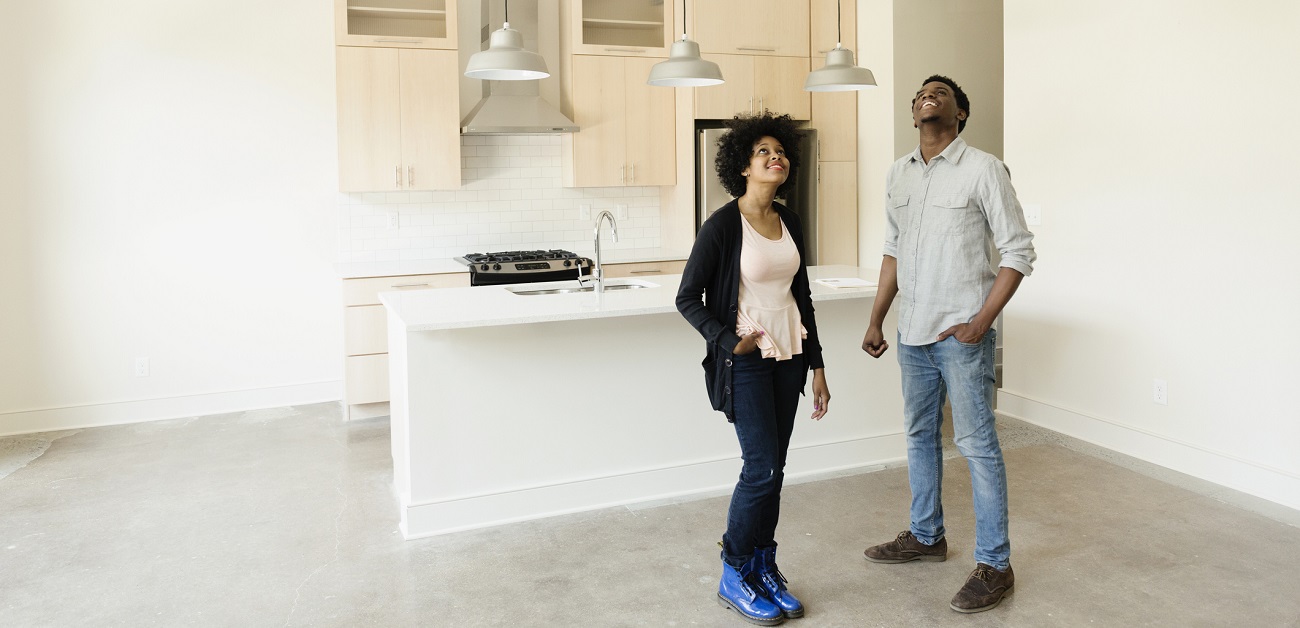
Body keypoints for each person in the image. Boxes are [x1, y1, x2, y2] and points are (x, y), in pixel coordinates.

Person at [860, 75, 1037, 614]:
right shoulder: (898, 174)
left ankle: (995, 564)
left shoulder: (984, 169)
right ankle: (925, 536)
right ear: (914, 113)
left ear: (961, 112)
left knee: (978, 445)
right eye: (920, 93)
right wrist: (876, 319)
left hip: (960, 334)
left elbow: (1018, 252)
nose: (928, 95)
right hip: (911, 333)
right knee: (919, 436)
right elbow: (893, 251)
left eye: (941, 91)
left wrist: (982, 321)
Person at [677, 112, 831, 626]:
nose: (774, 157)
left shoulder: (790, 221)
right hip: (746, 361)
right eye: (762, 151)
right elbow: (687, 298)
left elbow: (800, 295)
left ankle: (763, 564)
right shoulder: (723, 225)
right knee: (759, 468)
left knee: (775, 471)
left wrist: (819, 366)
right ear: (743, 165)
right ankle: (733, 569)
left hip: (789, 355)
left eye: (779, 151)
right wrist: (728, 341)